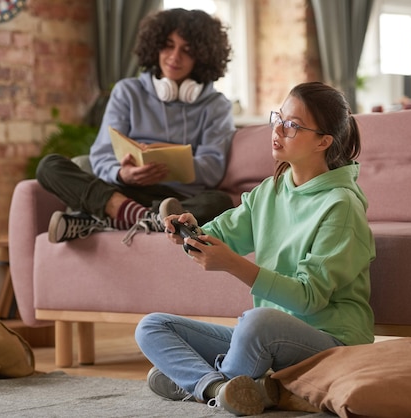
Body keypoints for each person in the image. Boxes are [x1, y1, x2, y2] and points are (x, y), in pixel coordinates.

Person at [134, 82, 376, 416]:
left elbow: (310, 298)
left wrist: (234, 265)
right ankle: (220, 388)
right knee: (152, 326)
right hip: (270, 337)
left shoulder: (341, 205)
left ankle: (200, 382)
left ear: (324, 141)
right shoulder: (271, 191)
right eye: (279, 117)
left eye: (292, 125)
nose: (277, 129)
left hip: (332, 342)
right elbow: (222, 234)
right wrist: (190, 235)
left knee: (257, 323)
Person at [36, 8, 236, 244]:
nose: (174, 57)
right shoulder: (127, 92)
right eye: (168, 45)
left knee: (219, 202)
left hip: (175, 199)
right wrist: (123, 174)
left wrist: (168, 161)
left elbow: (212, 168)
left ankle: (105, 219)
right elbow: (101, 156)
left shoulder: (217, 105)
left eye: (187, 50)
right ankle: (142, 217)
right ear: (155, 46)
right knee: (49, 166)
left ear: (203, 56)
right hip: (123, 190)